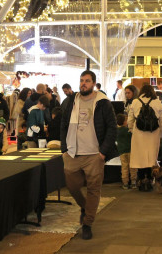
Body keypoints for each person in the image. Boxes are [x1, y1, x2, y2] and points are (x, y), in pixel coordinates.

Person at [60, 70, 117, 240]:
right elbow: (63, 125)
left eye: (87, 81)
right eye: (81, 80)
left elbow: (112, 129)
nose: (83, 83)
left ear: (93, 83)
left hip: (94, 154)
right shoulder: (71, 101)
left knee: (93, 189)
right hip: (72, 153)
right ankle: (85, 207)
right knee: (72, 185)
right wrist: (64, 149)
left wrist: (102, 152)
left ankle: (87, 223)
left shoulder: (103, 103)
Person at [129, 84, 162, 191]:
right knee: (151, 157)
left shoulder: (135, 102)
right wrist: (161, 133)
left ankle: (140, 180)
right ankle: (150, 180)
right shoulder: (157, 102)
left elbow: (130, 120)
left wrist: (132, 130)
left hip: (139, 134)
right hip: (153, 133)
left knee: (140, 157)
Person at [116, 113, 135, 189]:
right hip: (130, 150)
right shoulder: (128, 130)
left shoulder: (116, 131)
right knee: (132, 166)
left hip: (121, 151)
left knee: (124, 167)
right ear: (124, 122)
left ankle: (125, 183)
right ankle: (133, 182)